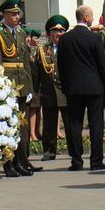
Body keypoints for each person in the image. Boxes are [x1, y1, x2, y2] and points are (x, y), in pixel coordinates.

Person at [0, 0, 39, 176]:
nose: (17, 17)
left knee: (22, 126)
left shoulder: (22, 33)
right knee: (6, 126)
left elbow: (25, 63)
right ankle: (8, 164)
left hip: (22, 84)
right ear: (5, 15)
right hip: (6, 87)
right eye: (13, 14)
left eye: (18, 14)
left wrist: (30, 87)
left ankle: (21, 161)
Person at [57, 5, 105, 171]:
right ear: (86, 17)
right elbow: (102, 64)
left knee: (74, 124)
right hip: (94, 87)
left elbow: (61, 65)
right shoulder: (94, 38)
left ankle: (76, 161)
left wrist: (65, 86)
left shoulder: (65, 39)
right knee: (96, 124)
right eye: (91, 16)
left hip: (73, 88)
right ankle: (96, 161)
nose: (92, 19)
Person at [33, 15, 68, 162]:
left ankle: (74, 150)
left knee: (70, 122)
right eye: (55, 31)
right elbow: (37, 73)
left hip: (66, 91)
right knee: (49, 123)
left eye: (61, 31)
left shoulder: (69, 48)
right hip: (49, 91)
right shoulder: (42, 50)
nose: (58, 34)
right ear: (49, 34)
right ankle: (49, 151)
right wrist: (36, 92)